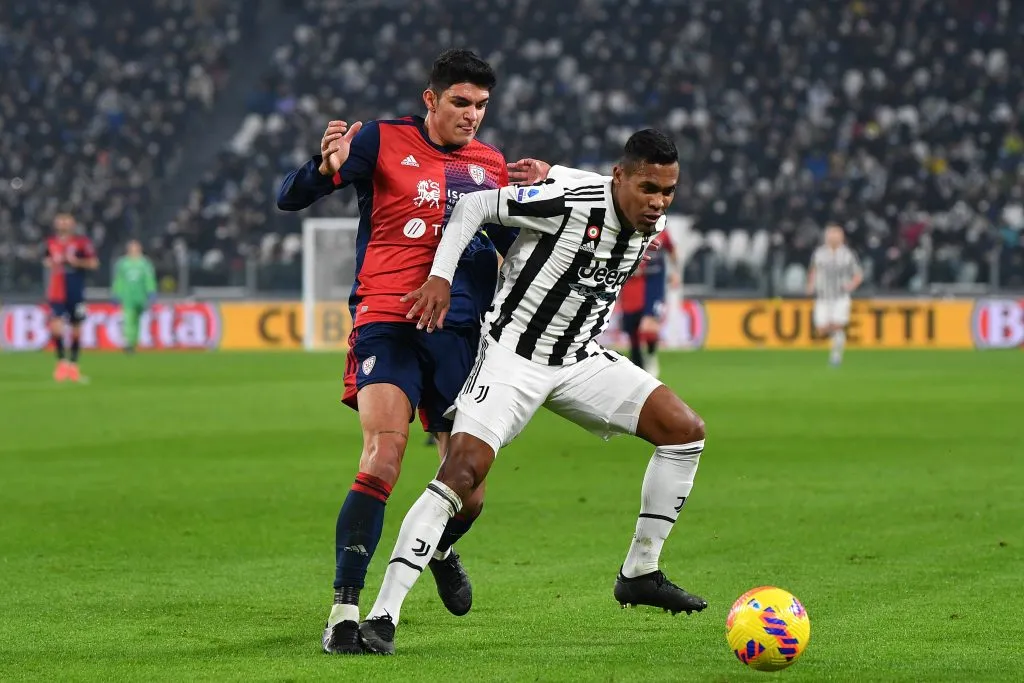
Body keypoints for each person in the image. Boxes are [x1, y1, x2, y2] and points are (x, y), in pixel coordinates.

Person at [359, 129, 708, 655]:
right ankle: (382, 616)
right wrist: (441, 277)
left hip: (579, 360)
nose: (658, 202)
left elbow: (586, 183)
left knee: (685, 431)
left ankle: (640, 571)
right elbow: (475, 205)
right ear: (620, 177)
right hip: (513, 357)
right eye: (648, 189)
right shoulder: (569, 200)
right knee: (461, 475)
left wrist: (555, 170)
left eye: (668, 191)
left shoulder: (641, 217)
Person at [276, 49, 516, 655]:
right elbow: (290, 197)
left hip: (460, 336)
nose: (472, 114)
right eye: (460, 102)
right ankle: (343, 615)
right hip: (388, 321)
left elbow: (514, 242)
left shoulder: (490, 164)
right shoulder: (381, 140)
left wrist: (540, 200)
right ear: (430, 99)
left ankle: (438, 545)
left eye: (481, 105)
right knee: (384, 454)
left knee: (470, 491)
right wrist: (323, 167)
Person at [44, 212, 98, 382]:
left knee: (76, 328)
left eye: (66, 221)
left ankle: (73, 364)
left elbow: (94, 263)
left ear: (73, 224)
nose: (63, 223)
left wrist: (77, 262)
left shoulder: (82, 243)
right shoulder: (51, 242)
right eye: (60, 220)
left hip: (76, 291)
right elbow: (46, 260)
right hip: (56, 291)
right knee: (56, 326)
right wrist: (51, 263)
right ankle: (61, 362)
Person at [806, 224, 863, 366]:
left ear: (841, 237)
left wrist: (851, 285)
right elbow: (813, 270)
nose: (832, 237)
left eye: (835, 234)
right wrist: (811, 284)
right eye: (830, 234)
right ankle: (837, 339)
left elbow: (858, 274)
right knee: (821, 328)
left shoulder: (848, 254)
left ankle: (836, 355)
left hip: (840, 296)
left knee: (837, 325)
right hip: (823, 296)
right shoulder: (819, 253)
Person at [112, 239, 158, 354]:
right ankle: (128, 342)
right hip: (127, 296)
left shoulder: (145, 263)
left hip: (141, 296)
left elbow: (149, 278)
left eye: (136, 248)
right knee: (128, 318)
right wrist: (116, 292)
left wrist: (151, 291)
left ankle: (133, 342)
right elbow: (119, 280)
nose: (134, 250)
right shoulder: (123, 263)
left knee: (137, 320)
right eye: (132, 248)